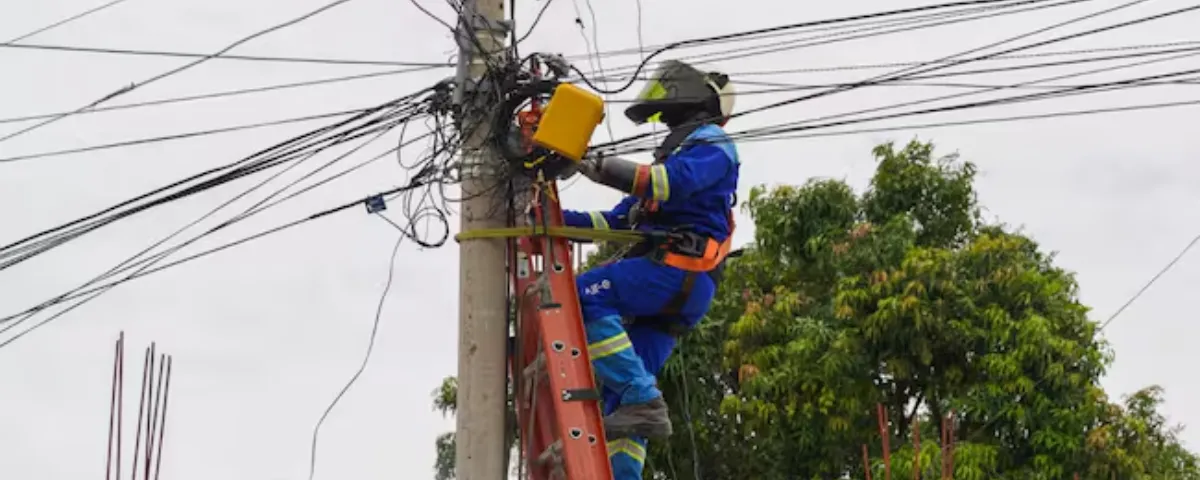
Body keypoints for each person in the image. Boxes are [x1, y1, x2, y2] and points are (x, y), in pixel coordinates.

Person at [562, 59, 740, 479]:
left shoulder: (714, 144)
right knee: (625, 406)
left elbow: (666, 183)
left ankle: (642, 397)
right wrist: (556, 219)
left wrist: (600, 165)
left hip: (679, 271)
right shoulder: (675, 156)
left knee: (584, 295)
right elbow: (617, 222)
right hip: (676, 288)